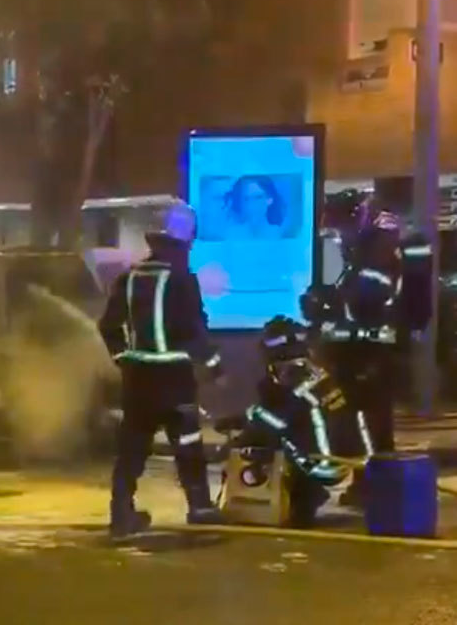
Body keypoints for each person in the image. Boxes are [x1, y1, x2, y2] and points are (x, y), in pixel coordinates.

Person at [98, 201, 225, 538]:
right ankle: (199, 506)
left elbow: (107, 326)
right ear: (182, 242)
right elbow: (194, 329)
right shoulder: (183, 281)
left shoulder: (127, 278)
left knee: (132, 448)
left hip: (137, 382)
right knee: (188, 442)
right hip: (175, 381)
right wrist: (214, 366)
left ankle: (120, 513)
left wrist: (122, 357)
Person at [308, 208, 432, 505]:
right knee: (367, 421)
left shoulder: (375, 259)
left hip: (369, 353)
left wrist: (328, 311)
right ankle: (370, 483)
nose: (339, 240)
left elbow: (363, 305)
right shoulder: (376, 255)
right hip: (373, 351)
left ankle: (373, 486)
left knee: (369, 422)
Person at [218, 316, 372, 527]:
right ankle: (308, 494)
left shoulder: (286, 378)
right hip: (350, 461)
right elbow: (292, 411)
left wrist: (235, 444)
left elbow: (273, 423)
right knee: (289, 430)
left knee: (267, 445)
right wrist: (242, 418)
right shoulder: (317, 371)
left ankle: (306, 495)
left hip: (322, 464)